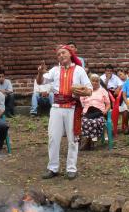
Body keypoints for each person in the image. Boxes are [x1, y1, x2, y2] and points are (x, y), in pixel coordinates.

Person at [36, 45, 92, 180]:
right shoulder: (54, 70)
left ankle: (71, 168)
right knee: (53, 138)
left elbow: (89, 89)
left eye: (63, 53)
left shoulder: (79, 70)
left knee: (73, 139)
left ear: (70, 54)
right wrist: (40, 72)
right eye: (58, 54)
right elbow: (40, 81)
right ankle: (52, 168)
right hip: (56, 107)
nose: (61, 55)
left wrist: (82, 91)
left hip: (72, 107)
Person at [79, 74, 111, 150]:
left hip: (99, 113)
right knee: (84, 121)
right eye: (93, 81)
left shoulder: (103, 91)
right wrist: (83, 111)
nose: (95, 83)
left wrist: (106, 111)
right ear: (90, 82)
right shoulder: (85, 91)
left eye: (97, 81)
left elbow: (108, 104)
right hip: (87, 113)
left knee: (95, 122)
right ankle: (90, 142)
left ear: (99, 82)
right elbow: (81, 103)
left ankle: (88, 142)